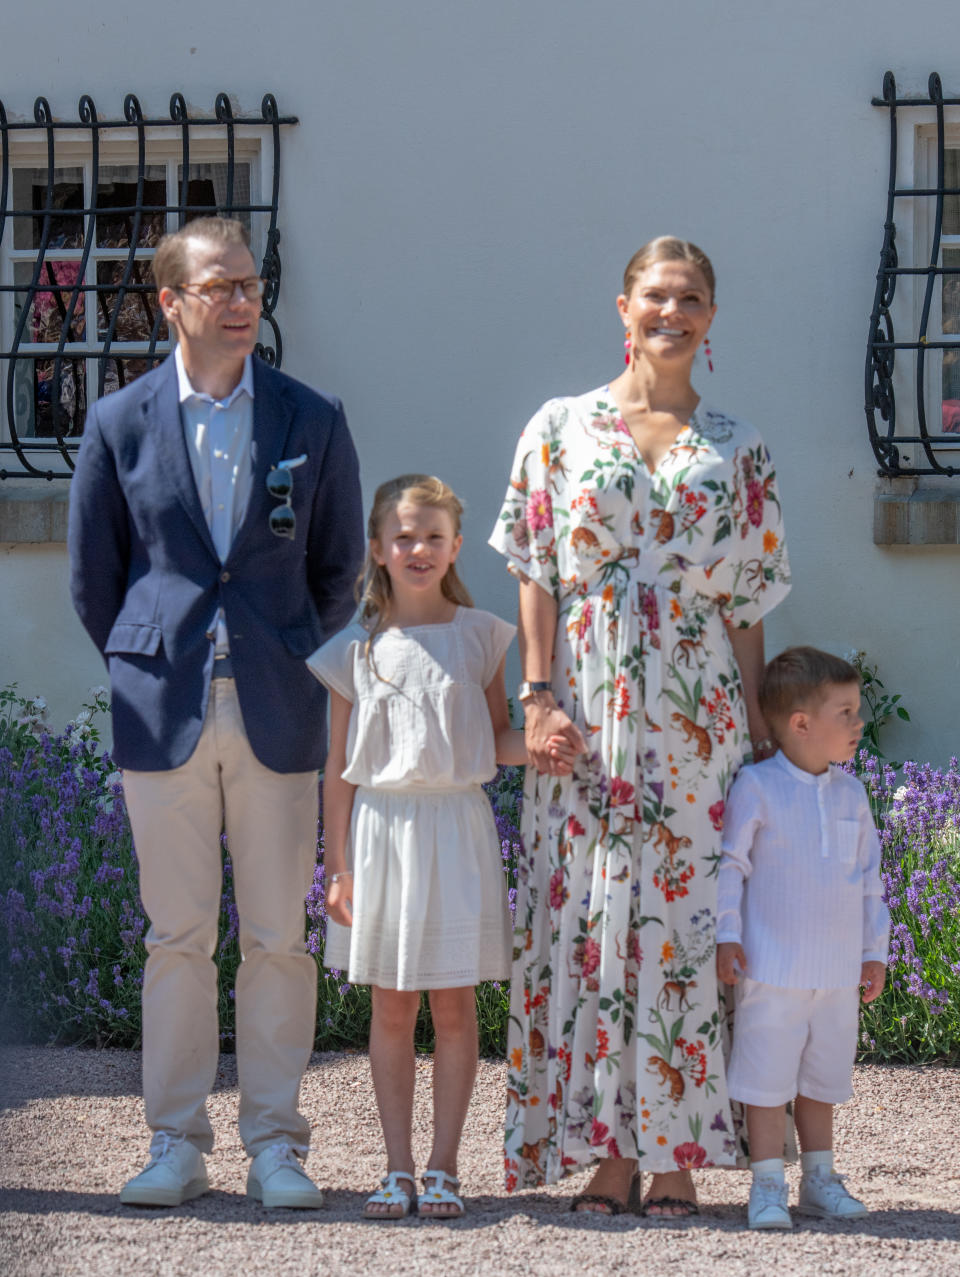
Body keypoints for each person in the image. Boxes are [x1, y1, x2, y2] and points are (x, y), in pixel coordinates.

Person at [489, 237, 792, 1216]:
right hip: (585, 718)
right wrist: (536, 697)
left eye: (691, 297)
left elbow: (749, 602)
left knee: (685, 930)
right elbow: (534, 567)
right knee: (592, 930)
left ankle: (678, 1156)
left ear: (711, 315)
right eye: (656, 296)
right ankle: (607, 1153)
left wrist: (756, 725)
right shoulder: (560, 427)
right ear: (623, 308)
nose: (673, 311)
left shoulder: (738, 447)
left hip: (697, 724)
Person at [68, 216, 364, 1209]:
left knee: (280, 933)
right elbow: (94, 581)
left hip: (280, 704)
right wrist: (151, 657)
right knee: (178, 934)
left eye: (251, 284)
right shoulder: (118, 423)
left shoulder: (311, 417)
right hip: (165, 711)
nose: (242, 301)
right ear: (171, 302)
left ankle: (277, 1142)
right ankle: (176, 1141)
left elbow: (338, 568)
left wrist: (284, 650)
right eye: (220, 287)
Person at [308, 474, 573, 1220]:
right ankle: (395, 1168)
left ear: (456, 545)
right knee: (392, 1009)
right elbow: (337, 772)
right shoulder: (354, 650)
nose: (418, 548)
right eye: (403, 536)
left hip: (457, 831)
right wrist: (337, 865)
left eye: (433, 536)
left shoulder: (482, 635)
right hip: (383, 834)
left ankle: (445, 1165)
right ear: (378, 549)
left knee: (455, 1008)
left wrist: (547, 745)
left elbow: (494, 739)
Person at [716, 647, 889, 1230]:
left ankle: (819, 1179)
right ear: (800, 724)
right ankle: (767, 1185)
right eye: (846, 711)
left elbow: (870, 882)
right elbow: (731, 866)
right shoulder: (758, 787)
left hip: (837, 975)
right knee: (766, 1081)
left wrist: (873, 951)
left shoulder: (853, 795)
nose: (858, 723)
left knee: (822, 1078)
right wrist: (727, 936)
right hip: (771, 969)